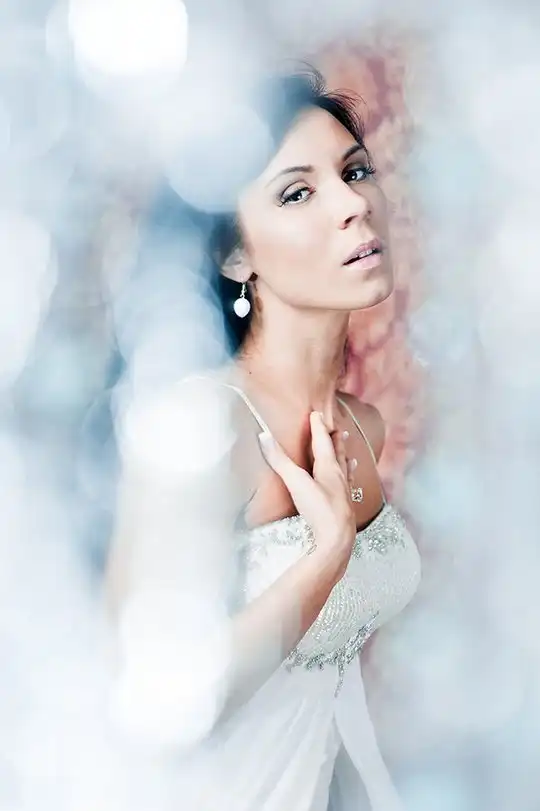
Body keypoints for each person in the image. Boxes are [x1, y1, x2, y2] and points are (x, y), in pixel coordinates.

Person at [105, 68, 421, 811]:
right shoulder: (198, 429)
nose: (353, 205)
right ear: (235, 254)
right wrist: (325, 559)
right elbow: (148, 705)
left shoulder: (361, 428)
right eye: (297, 193)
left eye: (355, 172)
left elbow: (328, 700)